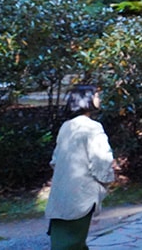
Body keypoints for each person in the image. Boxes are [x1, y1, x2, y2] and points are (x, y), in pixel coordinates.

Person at [45, 85, 116, 250]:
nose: (100, 99)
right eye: (97, 95)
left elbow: (55, 160)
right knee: (73, 242)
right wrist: (105, 183)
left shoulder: (66, 126)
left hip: (61, 193)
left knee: (66, 239)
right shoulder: (93, 127)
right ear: (87, 99)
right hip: (82, 193)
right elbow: (102, 160)